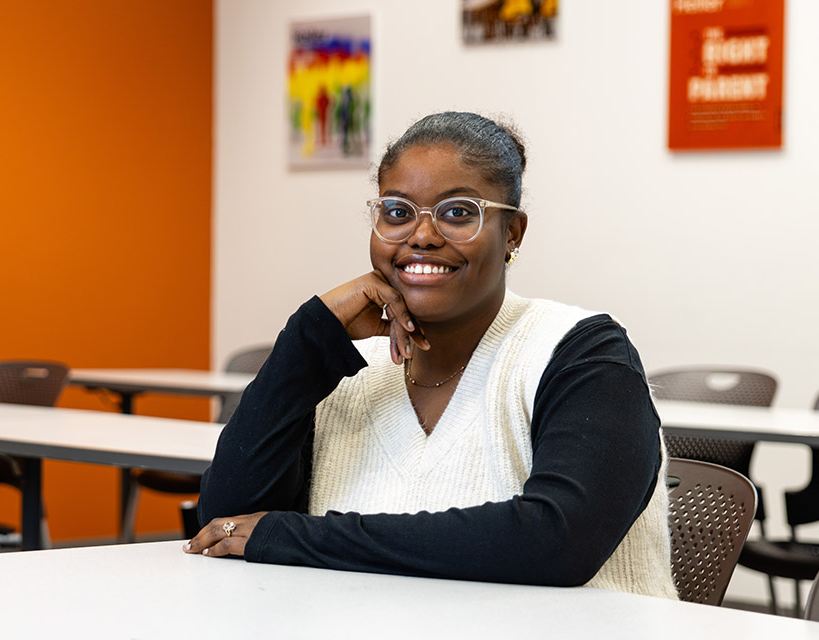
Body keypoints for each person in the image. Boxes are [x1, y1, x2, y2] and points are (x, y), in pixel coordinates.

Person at [183, 111, 678, 598]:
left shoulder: (583, 354)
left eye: (458, 213)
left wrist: (292, 535)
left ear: (513, 234)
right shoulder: (351, 371)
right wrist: (309, 337)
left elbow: (555, 541)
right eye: (397, 213)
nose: (421, 236)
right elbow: (227, 520)